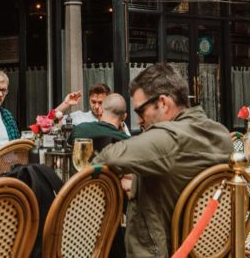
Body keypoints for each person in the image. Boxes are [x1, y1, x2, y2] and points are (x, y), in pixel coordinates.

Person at [94, 63, 231, 258]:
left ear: (164, 103)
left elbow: (108, 156)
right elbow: (177, 174)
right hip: (206, 251)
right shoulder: (221, 133)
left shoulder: (169, 138)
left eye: (140, 112)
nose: (139, 121)